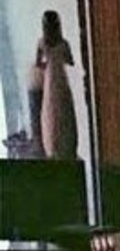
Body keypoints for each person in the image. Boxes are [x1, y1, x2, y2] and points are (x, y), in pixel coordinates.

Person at [35, 10, 78, 160]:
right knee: (61, 107)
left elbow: (38, 63)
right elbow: (70, 61)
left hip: (50, 77)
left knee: (51, 108)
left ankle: (53, 145)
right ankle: (62, 143)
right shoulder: (63, 43)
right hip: (60, 77)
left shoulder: (42, 43)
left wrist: (47, 65)